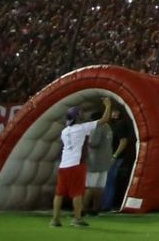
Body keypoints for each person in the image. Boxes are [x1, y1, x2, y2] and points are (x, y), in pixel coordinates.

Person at [53, 97, 114, 227]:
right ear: (76, 117)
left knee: (59, 193)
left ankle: (55, 219)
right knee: (77, 193)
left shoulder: (65, 131)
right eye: (80, 113)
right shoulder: (82, 128)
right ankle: (77, 218)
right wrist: (108, 106)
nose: (83, 115)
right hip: (76, 164)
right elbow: (104, 120)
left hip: (64, 165)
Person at [83, 112, 117, 217]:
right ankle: (95, 209)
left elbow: (94, 143)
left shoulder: (97, 127)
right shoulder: (108, 127)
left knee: (90, 187)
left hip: (95, 161)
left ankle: (82, 210)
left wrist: (85, 140)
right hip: (105, 160)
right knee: (100, 187)